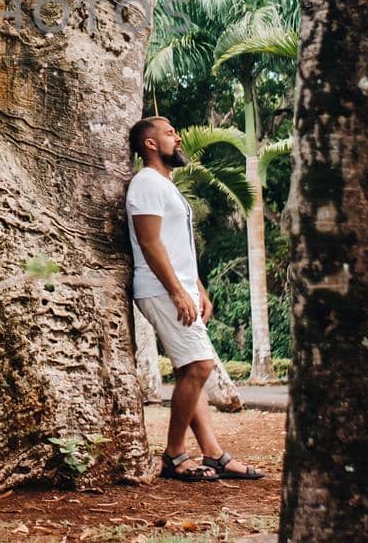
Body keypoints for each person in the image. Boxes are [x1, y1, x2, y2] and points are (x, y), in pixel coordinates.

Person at [126, 116, 264, 483]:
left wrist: (196, 288)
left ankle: (214, 454)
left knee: (192, 370)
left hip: (179, 288)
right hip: (158, 289)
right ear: (151, 144)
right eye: (171, 132)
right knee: (201, 367)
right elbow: (150, 243)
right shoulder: (146, 183)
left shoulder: (167, 186)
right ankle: (173, 454)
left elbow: (177, 246)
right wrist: (175, 291)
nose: (179, 137)